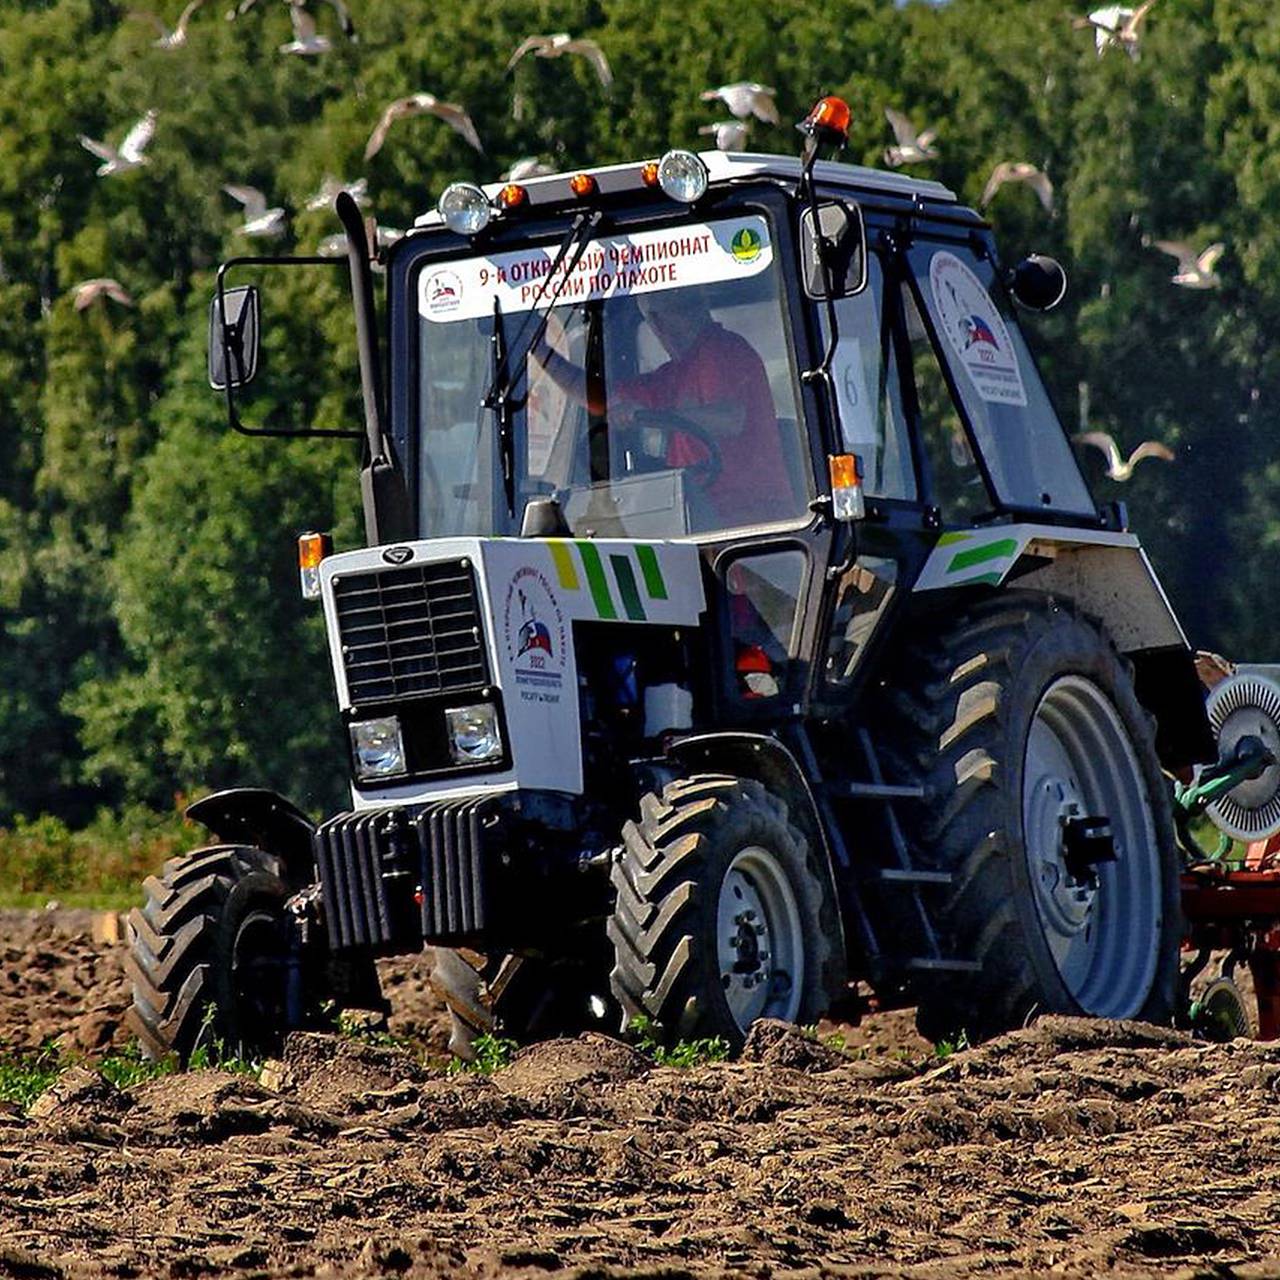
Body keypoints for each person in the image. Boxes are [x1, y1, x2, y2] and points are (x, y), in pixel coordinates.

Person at [536, 287, 796, 528]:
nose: (687, 316)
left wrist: (651, 415)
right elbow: (601, 398)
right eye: (679, 308)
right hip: (696, 518)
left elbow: (730, 419)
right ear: (656, 323)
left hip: (753, 522)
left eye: (688, 305)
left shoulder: (725, 350)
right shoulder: (673, 376)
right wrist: (541, 352)